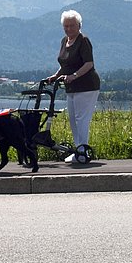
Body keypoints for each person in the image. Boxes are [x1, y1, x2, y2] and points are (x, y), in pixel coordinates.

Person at [46, 9, 101, 163]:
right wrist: (56, 75)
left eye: (71, 25)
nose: (68, 29)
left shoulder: (83, 40)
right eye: (66, 26)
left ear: (79, 25)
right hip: (71, 87)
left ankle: (83, 150)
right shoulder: (64, 41)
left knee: (81, 119)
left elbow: (89, 63)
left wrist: (74, 76)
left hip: (87, 86)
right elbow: (65, 64)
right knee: (72, 119)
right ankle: (78, 150)